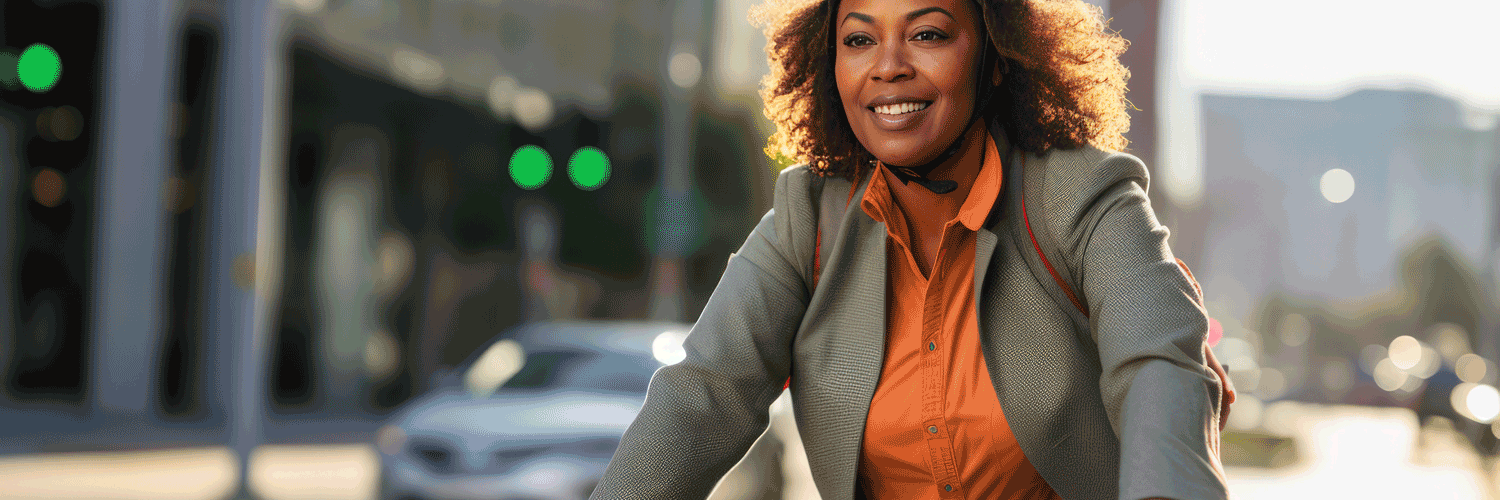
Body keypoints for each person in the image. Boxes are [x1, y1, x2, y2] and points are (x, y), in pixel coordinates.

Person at [591, 0, 1234, 498]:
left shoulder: (1083, 196)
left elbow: (1158, 365)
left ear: (995, 54)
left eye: (927, 34)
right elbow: (705, 393)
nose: (888, 64)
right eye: (859, 40)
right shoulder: (810, 214)